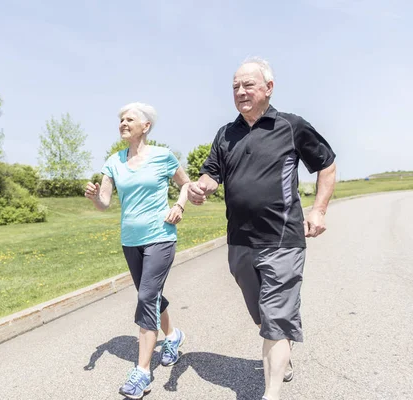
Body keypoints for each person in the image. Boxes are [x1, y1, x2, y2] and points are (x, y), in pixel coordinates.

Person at [188, 57, 336, 400]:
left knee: (276, 317)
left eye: (248, 85)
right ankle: (281, 349)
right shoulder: (226, 133)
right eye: (235, 87)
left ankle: (270, 393)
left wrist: (319, 210)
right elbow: (211, 173)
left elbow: (326, 166)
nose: (240, 92)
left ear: (268, 88)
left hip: (283, 238)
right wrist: (201, 188)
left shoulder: (291, 126)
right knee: (262, 314)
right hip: (240, 241)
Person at [85, 102, 191, 399]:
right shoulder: (113, 162)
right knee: (152, 294)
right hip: (130, 240)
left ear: (146, 126)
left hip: (160, 236)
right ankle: (172, 337)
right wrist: (95, 197)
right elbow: (105, 202)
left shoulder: (163, 156)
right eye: (120, 119)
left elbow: (186, 184)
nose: (122, 122)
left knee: (146, 296)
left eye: (129, 119)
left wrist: (179, 206)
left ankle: (142, 372)